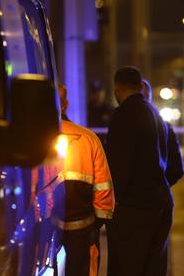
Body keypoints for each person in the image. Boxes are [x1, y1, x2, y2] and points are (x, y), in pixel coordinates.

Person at [105, 67, 173, 276]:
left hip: (134, 210)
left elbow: (119, 167)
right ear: (140, 86)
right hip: (160, 205)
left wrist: (111, 206)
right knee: (154, 268)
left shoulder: (123, 115)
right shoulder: (155, 114)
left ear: (117, 90)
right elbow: (172, 165)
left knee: (127, 267)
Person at [45, 84, 115, 276]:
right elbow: (104, 188)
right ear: (65, 104)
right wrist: (98, 222)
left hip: (47, 227)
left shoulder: (36, 141)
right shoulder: (89, 138)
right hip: (83, 228)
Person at [142, 79, 184, 187]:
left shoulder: (126, 127)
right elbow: (177, 170)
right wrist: (161, 187)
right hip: (159, 200)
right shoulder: (165, 127)